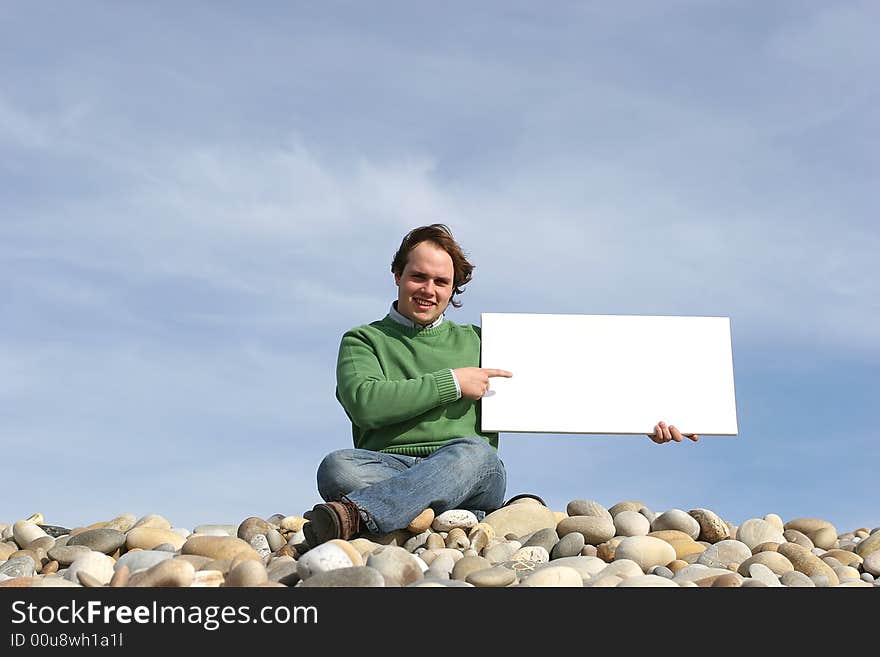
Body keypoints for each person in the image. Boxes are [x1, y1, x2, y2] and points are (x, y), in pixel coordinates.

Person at [303, 224, 698, 547]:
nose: (428, 290)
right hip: (387, 464)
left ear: (453, 288)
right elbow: (366, 404)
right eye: (418, 277)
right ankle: (448, 514)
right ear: (397, 276)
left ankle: (361, 514)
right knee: (337, 466)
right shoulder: (363, 340)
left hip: (471, 469)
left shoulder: (481, 341)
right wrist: (453, 382)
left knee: (473, 453)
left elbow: (572, 385)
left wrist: (648, 416)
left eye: (441, 281)